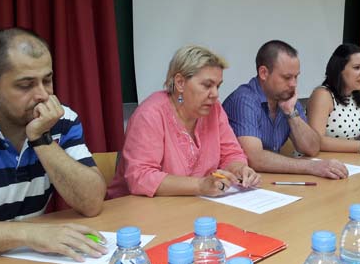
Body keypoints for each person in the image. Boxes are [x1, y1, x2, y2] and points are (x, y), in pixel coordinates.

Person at [0, 28, 108, 264]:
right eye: (25, 85)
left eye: (47, 79)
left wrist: (42, 139)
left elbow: (92, 201)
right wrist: (30, 234)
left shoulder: (61, 120)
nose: (43, 95)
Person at [108, 45, 260, 199]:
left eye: (218, 86)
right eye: (207, 85)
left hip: (192, 206)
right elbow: (141, 177)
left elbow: (231, 153)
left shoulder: (214, 110)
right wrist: (200, 185)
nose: (215, 94)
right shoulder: (150, 115)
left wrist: (239, 169)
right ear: (180, 82)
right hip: (135, 210)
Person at [223, 40, 348, 180]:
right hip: (240, 184)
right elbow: (254, 158)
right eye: (287, 77)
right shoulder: (244, 100)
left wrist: (292, 114)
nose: (293, 84)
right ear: (263, 73)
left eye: (296, 77)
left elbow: (311, 148)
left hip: (269, 181)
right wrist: (312, 167)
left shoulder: (286, 98)